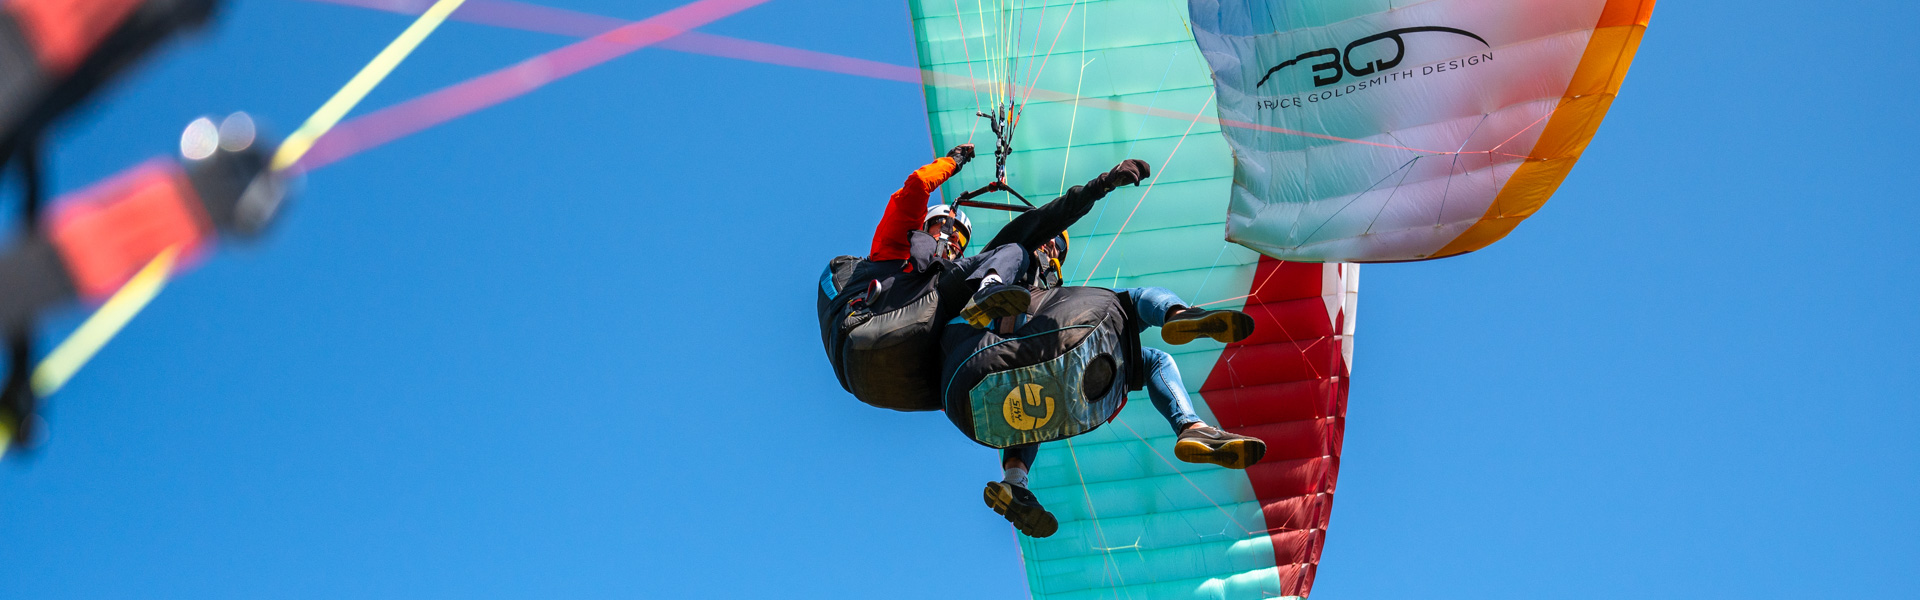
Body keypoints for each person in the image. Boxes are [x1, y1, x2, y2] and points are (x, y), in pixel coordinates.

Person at [932, 159, 1267, 538]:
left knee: (1033, 399)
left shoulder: (1048, 285)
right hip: (1008, 333)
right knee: (1129, 304)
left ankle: (1016, 484)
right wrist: (1101, 184)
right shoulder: (1010, 256)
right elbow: (1048, 223)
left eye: (1055, 246)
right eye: (1053, 242)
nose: (1051, 249)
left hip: (1005, 371)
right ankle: (1175, 315)